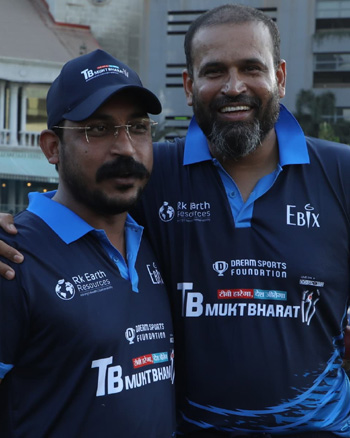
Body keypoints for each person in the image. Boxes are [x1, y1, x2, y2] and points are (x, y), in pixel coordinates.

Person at [0, 4, 350, 438]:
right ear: (189, 85)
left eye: (251, 68)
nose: (234, 86)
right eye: (215, 71)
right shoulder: (152, 172)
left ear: (280, 76)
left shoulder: (341, 173)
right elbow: (77, 198)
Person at [0, 49, 176, 438]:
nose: (126, 148)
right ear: (51, 148)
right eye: (98, 129)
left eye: (138, 127)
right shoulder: (12, 259)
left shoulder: (156, 242)